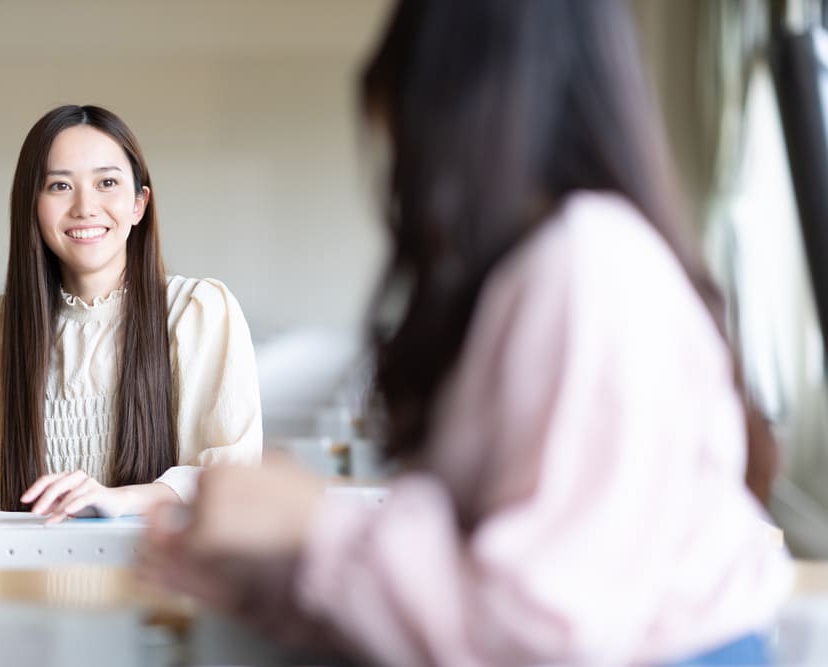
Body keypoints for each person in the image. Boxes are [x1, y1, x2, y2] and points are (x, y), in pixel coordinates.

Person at [135, 1, 792, 665]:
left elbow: (538, 626)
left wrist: (316, 523)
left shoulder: (588, 264)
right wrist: (272, 573)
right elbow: (465, 594)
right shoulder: (543, 269)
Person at [0, 105, 262, 523]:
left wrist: (121, 499)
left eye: (107, 182)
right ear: (31, 207)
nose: (85, 207)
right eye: (59, 186)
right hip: (23, 579)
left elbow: (231, 477)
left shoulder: (196, 312)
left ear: (139, 204)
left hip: (157, 578)